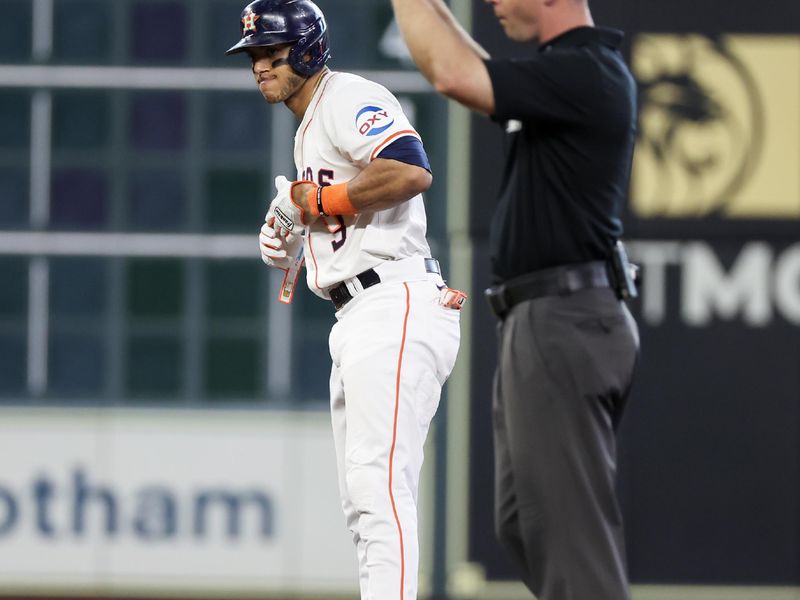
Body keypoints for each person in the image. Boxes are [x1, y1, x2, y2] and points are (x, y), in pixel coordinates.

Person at [390, 0, 640, 598]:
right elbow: (473, 76)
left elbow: (452, 74)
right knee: (526, 525)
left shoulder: (587, 73)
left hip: (566, 316)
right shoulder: (567, 75)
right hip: (549, 317)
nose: (494, 3)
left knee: (571, 546)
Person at [226, 1, 463, 599]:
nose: (259, 64)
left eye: (271, 52)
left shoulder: (345, 95)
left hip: (395, 302)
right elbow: (338, 210)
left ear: (307, 49)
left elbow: (411, 170)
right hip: (361, 310)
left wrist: (319, 206)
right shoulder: (310, 127)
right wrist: (298, 238)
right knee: (364, 502)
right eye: (254, 54)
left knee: (381, 491)